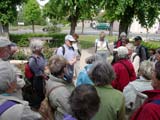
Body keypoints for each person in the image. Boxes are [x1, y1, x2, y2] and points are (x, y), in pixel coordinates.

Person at [46, 55, 74, 120]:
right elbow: (71, 110)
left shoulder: (50, 80)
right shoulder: (61, 91)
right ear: (64, 69)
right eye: (66, 67)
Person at [28, 40, 47, 109]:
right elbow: (37, 72)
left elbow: (45, 63)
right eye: (40, 47)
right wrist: (44, 75)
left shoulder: (41, 55)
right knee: (39, 94)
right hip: (37, 78)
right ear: (35, 48)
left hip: (43, 77)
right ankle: (38, 107)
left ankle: (41, 107)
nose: (42, 48)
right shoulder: (32, 59)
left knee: (43, 93)